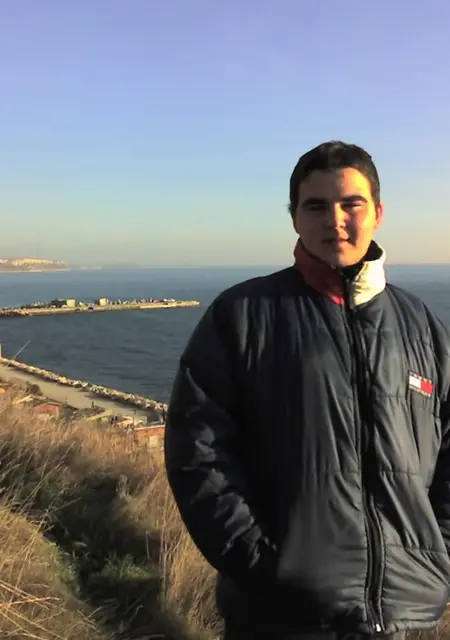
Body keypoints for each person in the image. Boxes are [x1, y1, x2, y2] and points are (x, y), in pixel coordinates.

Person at [164, 141, 450, 640]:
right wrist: (263, 565)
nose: (334, 220)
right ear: (294, 217)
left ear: (378, 213)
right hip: (277, 615)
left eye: (351, 204)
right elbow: (198, 450)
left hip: (398, 616)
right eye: (315, 206)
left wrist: (438, 553)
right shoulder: (242, 315)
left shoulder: (420, 325)